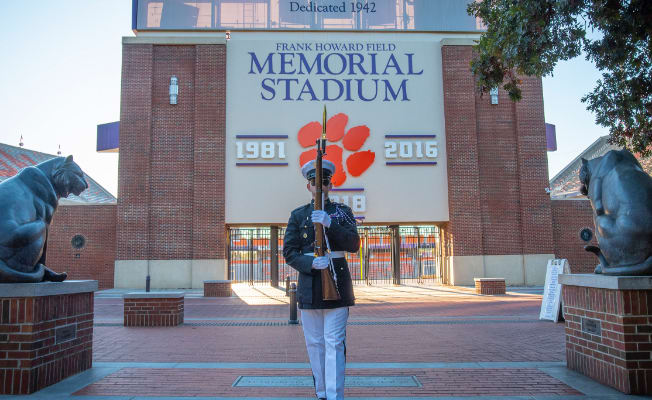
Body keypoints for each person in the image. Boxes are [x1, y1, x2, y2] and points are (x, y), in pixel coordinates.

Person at [283, 159, 359, 400]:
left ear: (330, 185)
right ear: (308, 187)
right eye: (315, 183)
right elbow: (289, 252)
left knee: (334, 343)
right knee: (315, 344)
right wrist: (310, 263)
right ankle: (322, 393)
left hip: (336, 284)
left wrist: (330, 224)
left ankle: (335, 395)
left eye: (324, 183)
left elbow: (354, 245)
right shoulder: (298, 215)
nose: (319, 187)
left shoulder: (342, 213)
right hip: (309, 285)